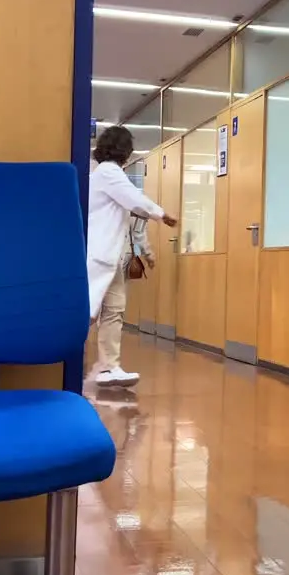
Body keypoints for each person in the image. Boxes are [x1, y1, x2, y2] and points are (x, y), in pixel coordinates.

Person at [88, 126, 176, 388]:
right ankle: (59, 357)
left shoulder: (104, 175)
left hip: (111, 257)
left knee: (114, 311)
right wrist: (161, 214)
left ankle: (109, 367)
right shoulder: (108, 173)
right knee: (89, 312)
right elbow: (135, 200)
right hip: (100, 255)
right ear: (125, 151)